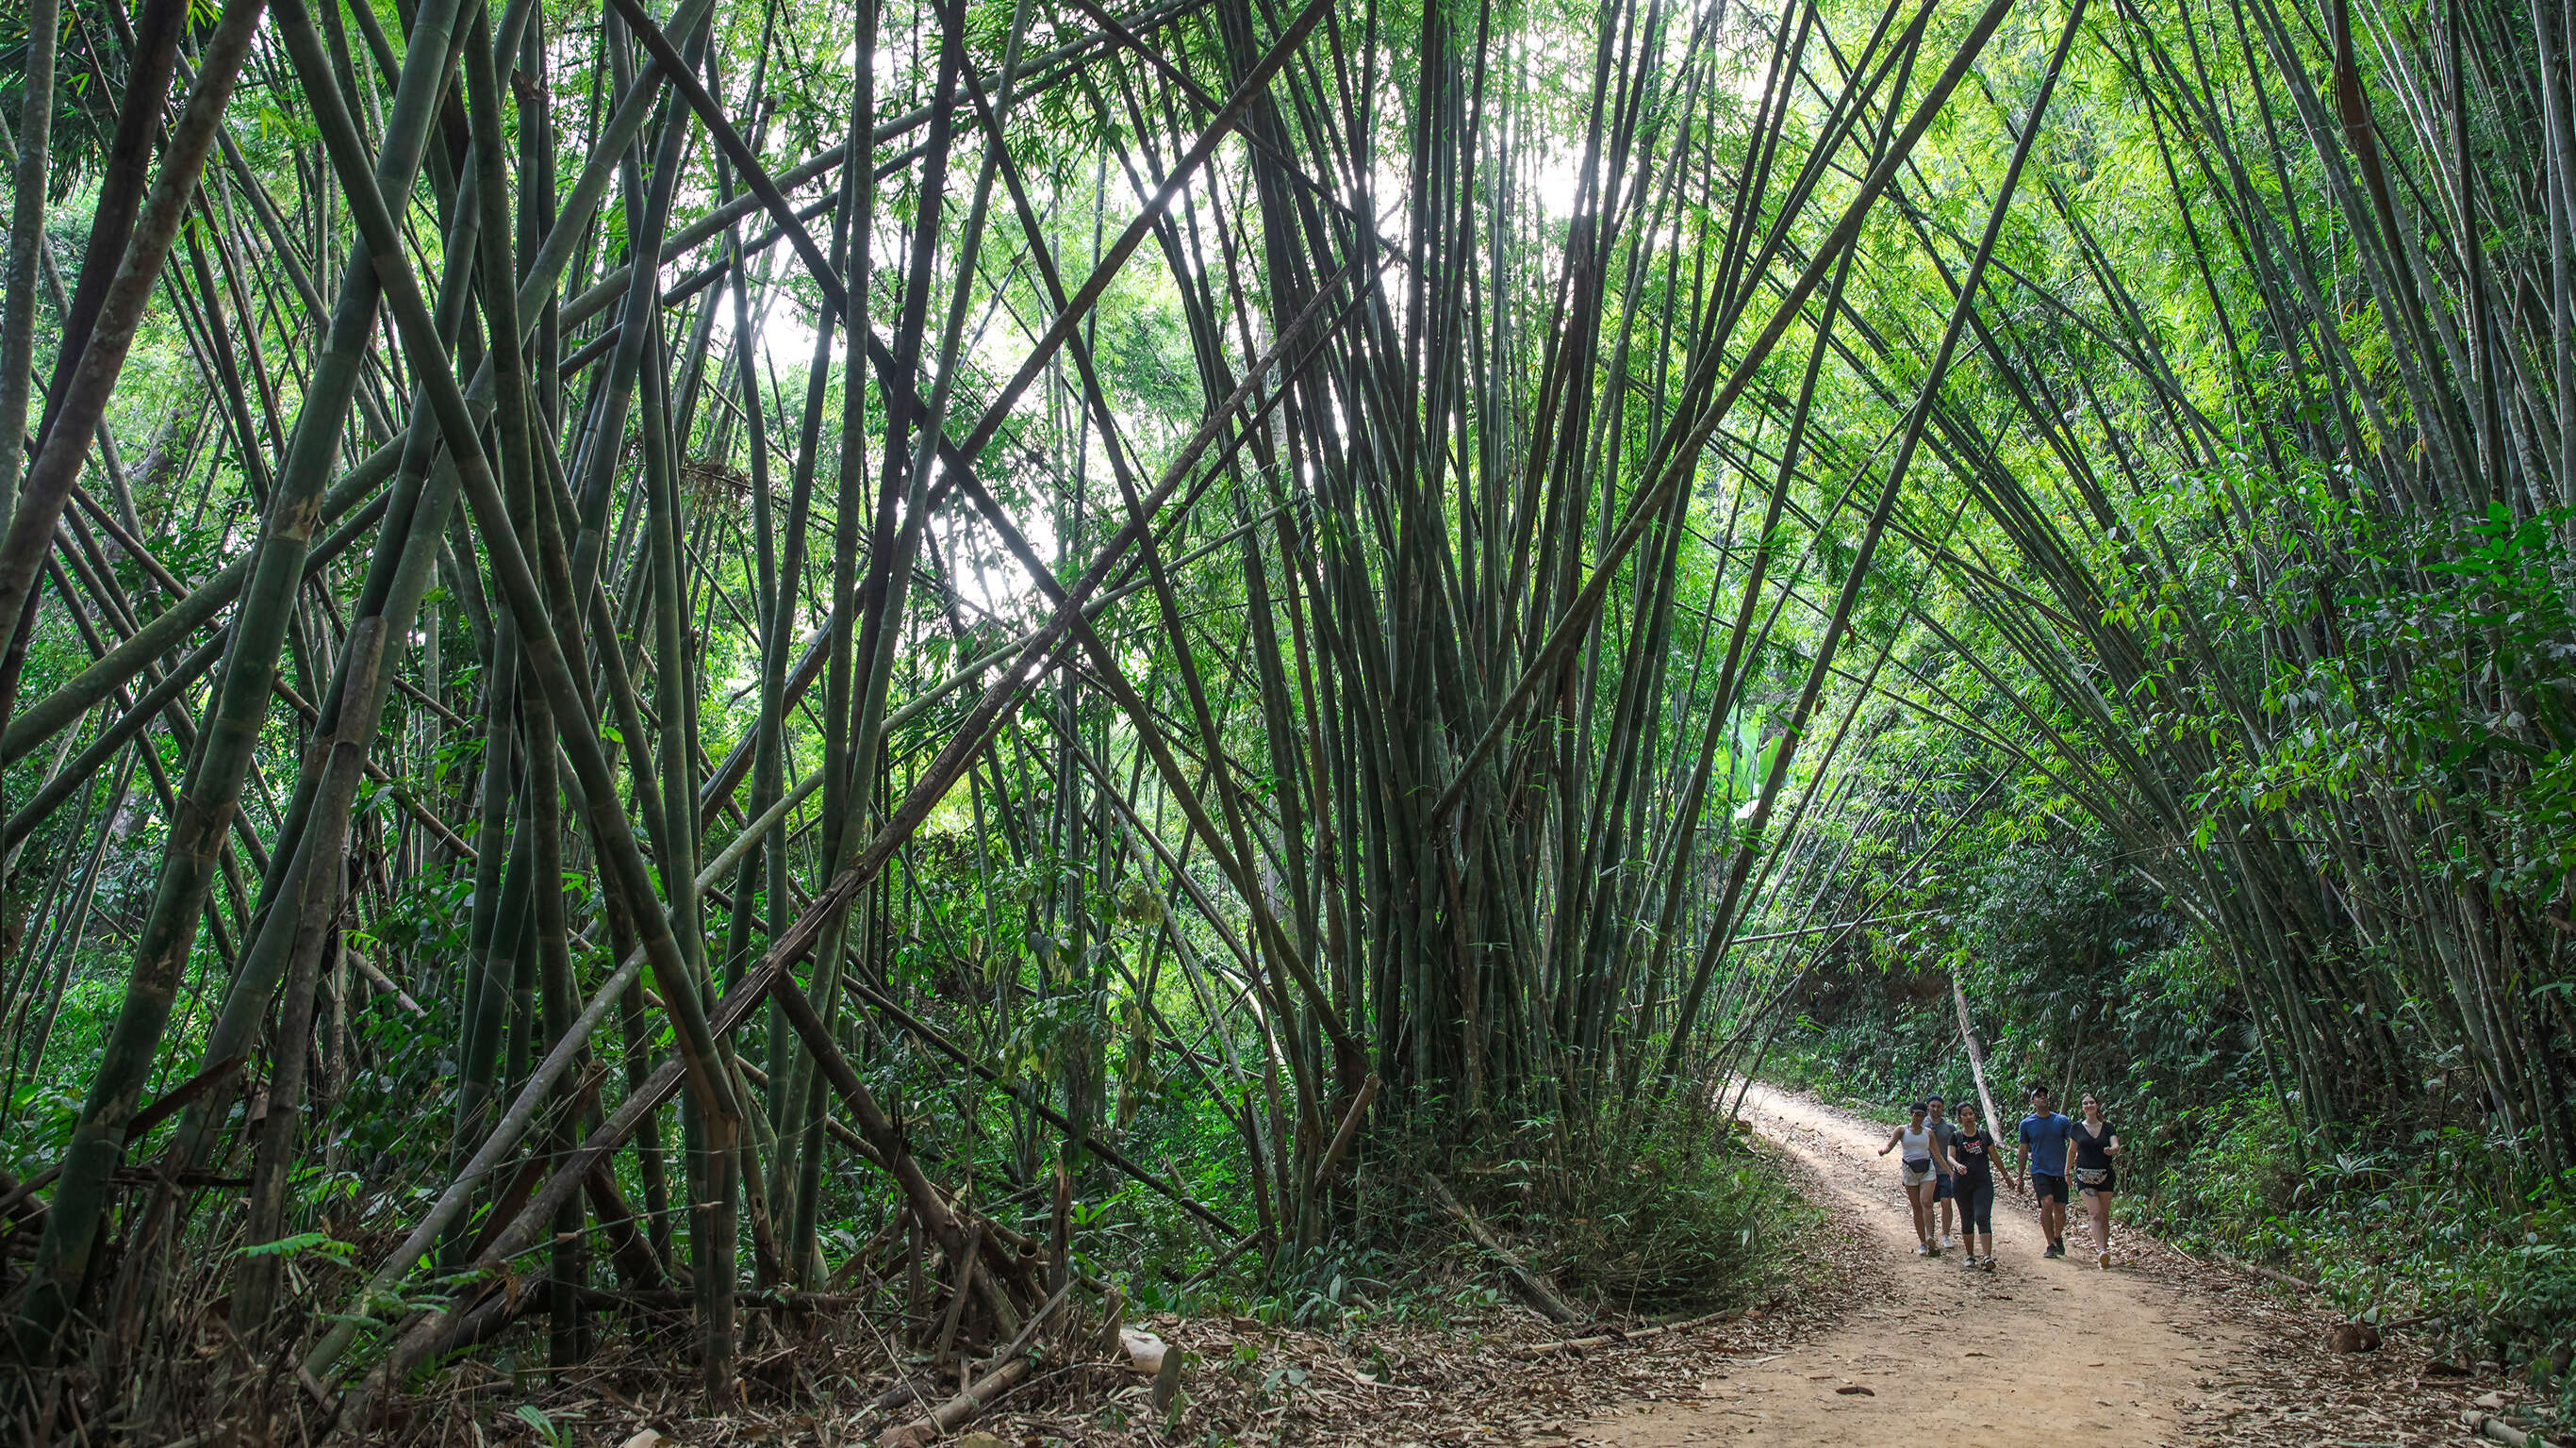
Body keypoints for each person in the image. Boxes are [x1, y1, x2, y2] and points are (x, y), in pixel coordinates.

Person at [1876, 1101, 1953, 1257]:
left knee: (1927, 1203)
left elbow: (1937, 1154)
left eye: (1922, 1116)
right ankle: (1923, 1242)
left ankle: (1930, 1237)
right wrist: (1884, 1150)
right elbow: (1890, 1145)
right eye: (1916, 1115)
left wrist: (1950, 1172)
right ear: (1911, 1114)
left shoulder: (1928, 1133)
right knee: (1917, 1207)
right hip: (1909, 1171)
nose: (1919, 1118)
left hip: (1927, 1170)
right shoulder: (1902, 1130)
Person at [2015, 1083, 2078, 1259]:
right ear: (2033, 1101)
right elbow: (2023, 1150)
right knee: (2047, 1202)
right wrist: (2020, 1177)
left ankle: (2057, 1236)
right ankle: (2050, 1244)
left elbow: (2072, 1143)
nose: (2043, 1097)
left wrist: (2073, 1162)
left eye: (2045, 1095)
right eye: (2038, 1095)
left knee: (2060, 1210)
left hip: (2060, 1171)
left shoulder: (2062, 1121)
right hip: (2039, 1170)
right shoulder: (2026, 1124)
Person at [1946, 1101, 2005, 1270]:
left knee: (1982, 1216)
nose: (1968, 1117)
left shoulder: (1984, 1135)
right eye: (1964, 1115)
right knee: (1967, 1218)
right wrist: (1957, 1165)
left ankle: (1987, 1257)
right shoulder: (1956, 1137)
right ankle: (1970, 1255)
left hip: (1983, 1183)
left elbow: (1994, 1156)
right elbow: (1950, 1156)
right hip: (1962, 1184)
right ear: (1959, 1118)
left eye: (1971, 1114)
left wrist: (2006, 1176)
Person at [2072, 1092, 2122, 1269]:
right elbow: (2072, 1151)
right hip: (2084, 1176)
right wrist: (2066, 1172)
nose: (2089, 1106)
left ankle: (2104, 1250)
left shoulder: (2108, 1127)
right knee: (2095, 1212)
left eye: (2091, 1102)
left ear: (2097, 1105)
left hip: (2105, 1175)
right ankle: (2101, 1251)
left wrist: (2112, 1150)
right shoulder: (2076, 1128)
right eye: (2085, 1103)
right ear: (2082, 1108)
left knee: (2104, 1214)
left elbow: (2115, 1144)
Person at [1925, 1095, 1961, 1248]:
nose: (1936, 1109)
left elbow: (1955, 1149)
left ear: (1943, 1108)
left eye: (1939, 1106)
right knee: (1927, 1204)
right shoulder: (1921, 1124)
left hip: (1945, 1171)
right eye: (1933, 1106)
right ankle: (1929, 1235)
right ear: (1928, 1106)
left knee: (1946, 1202)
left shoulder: (1949, 1128)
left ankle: (1945, 1235)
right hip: (1926, 1171)